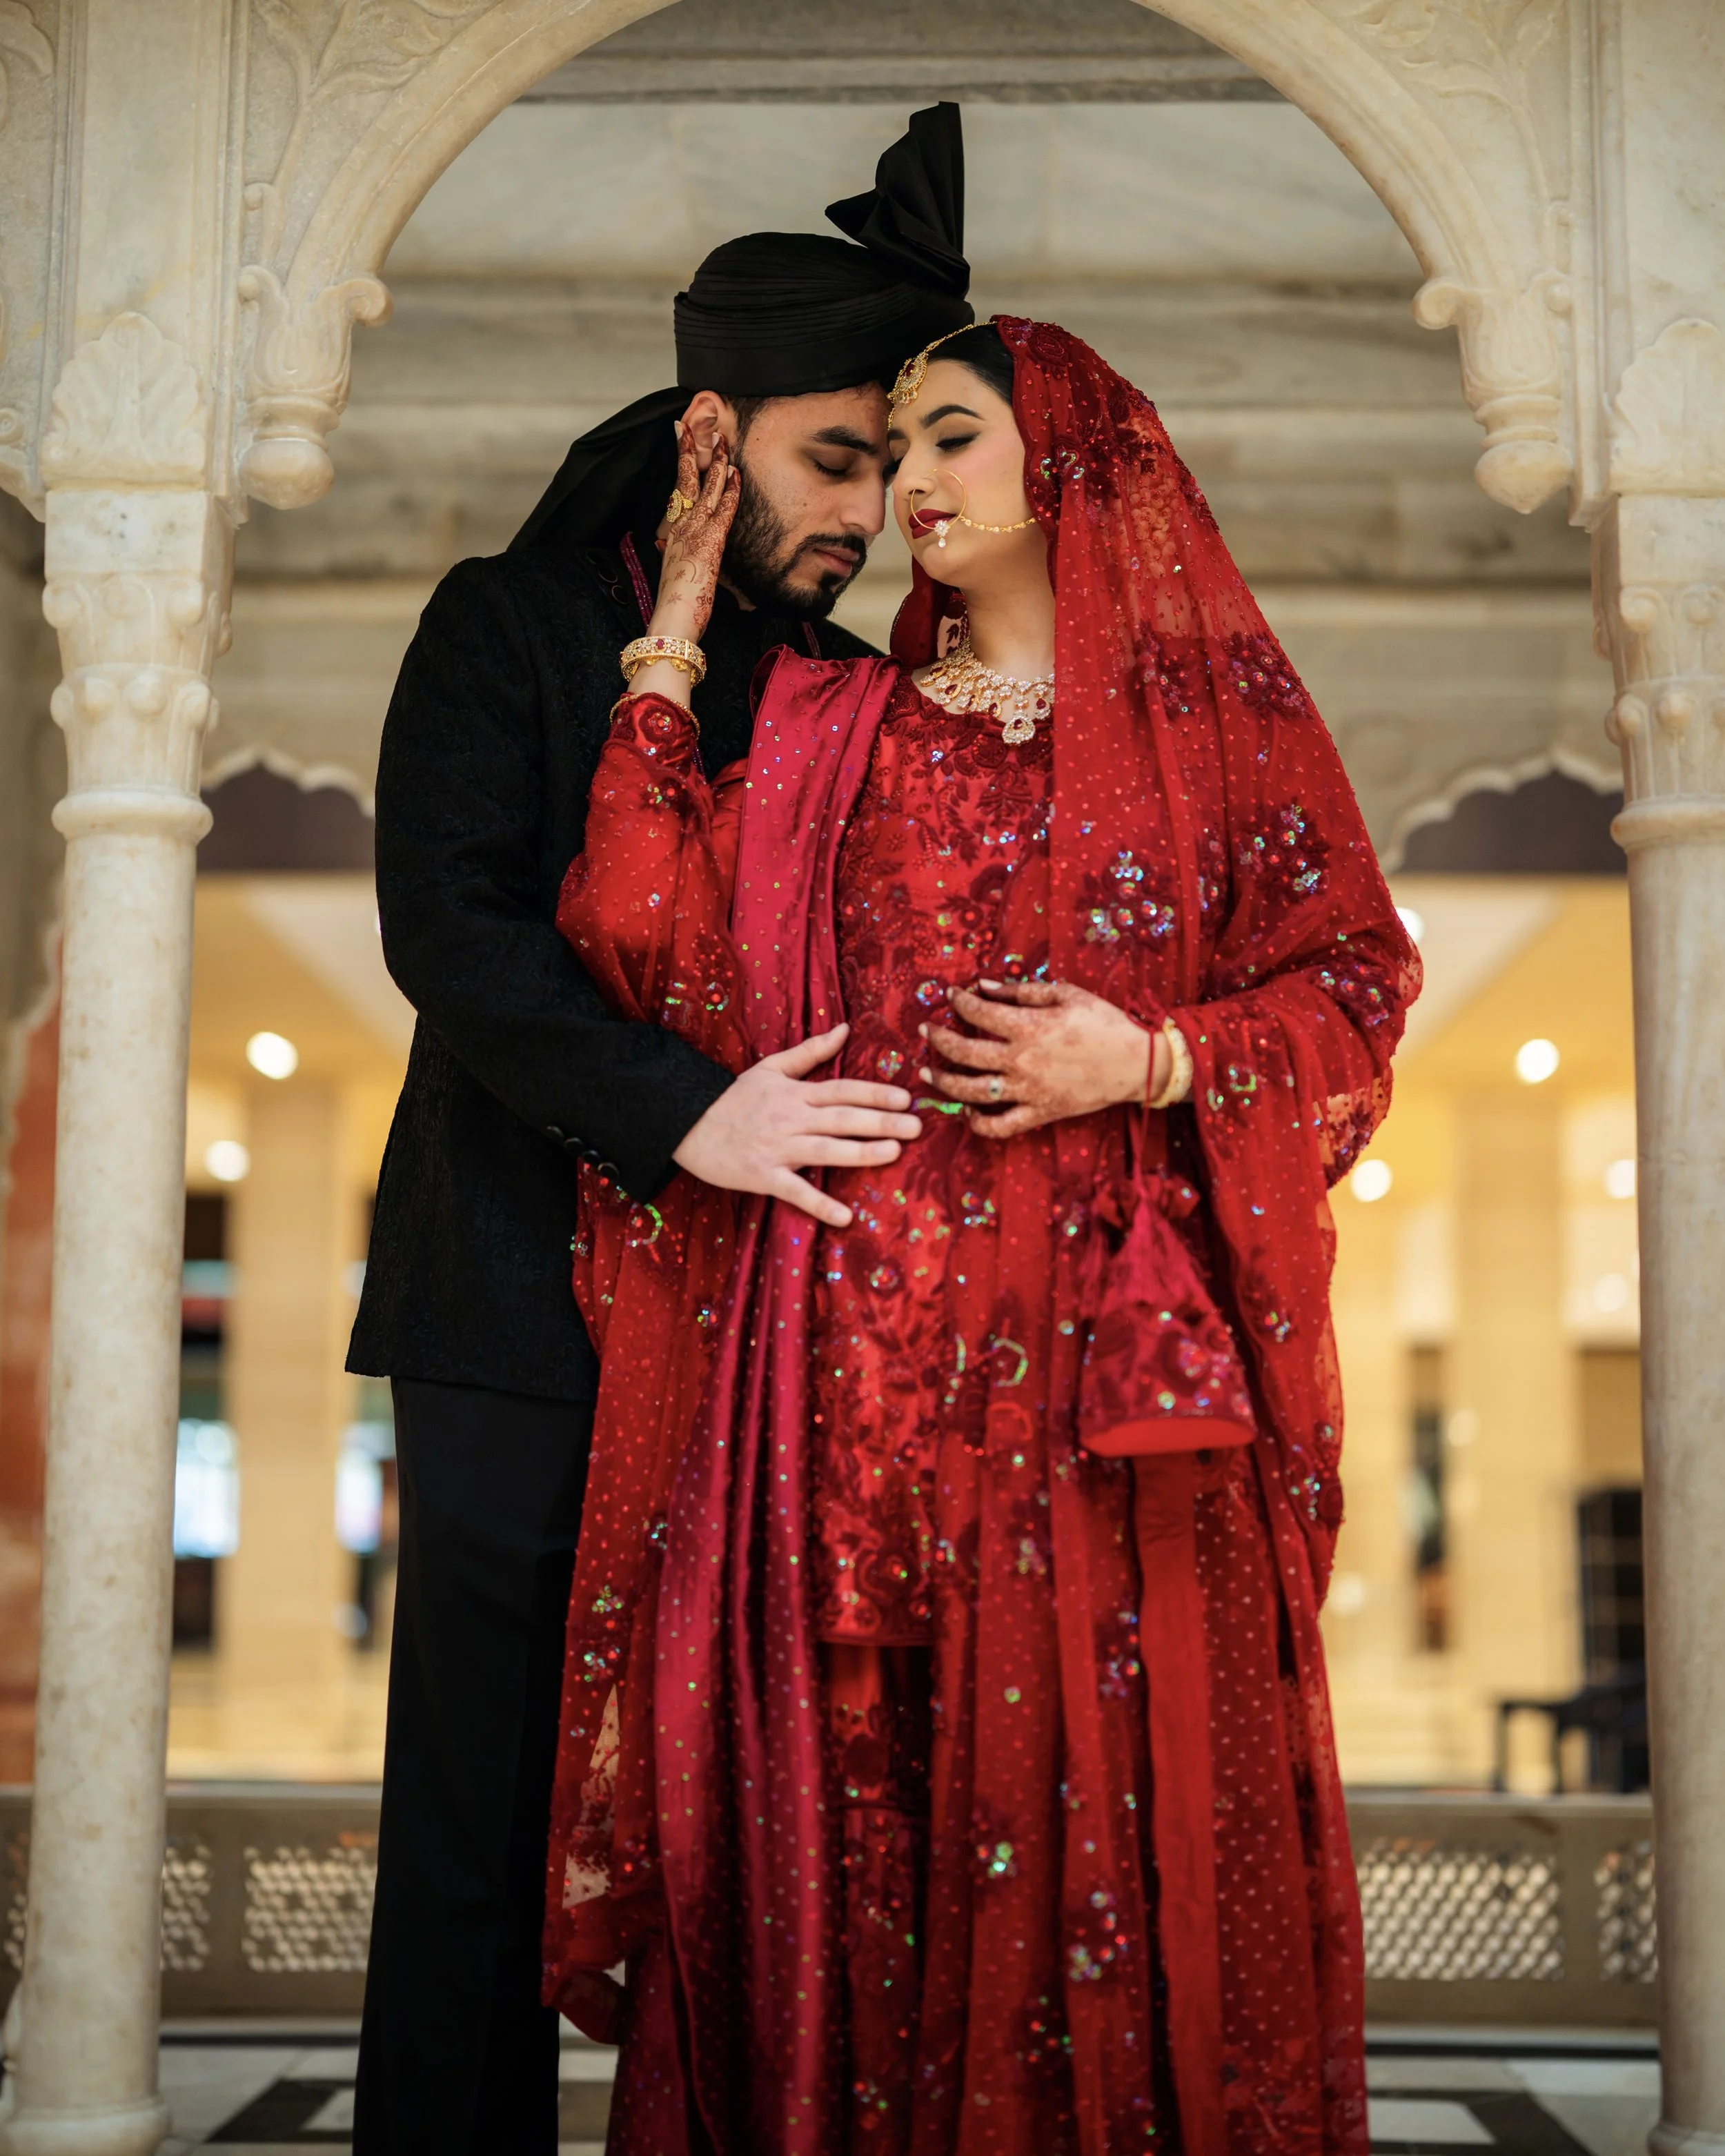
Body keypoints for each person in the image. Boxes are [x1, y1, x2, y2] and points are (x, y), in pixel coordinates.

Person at [544, 317, 1421, 2155]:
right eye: (886, 449)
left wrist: (1157, 1051)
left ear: (1075, 467)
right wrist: (676, 625)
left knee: (1111, 1831)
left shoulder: (1211, 745)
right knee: (853, 1832)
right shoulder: (825, 728)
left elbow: (1351, 992)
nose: (911, 486)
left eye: (949, 439)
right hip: (839, 1404)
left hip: (1106, 1425)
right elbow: (634, 938)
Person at [346, 107, 974, 2156]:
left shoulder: (843, 686)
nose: (869, 515)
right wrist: (686, 1118)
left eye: (890, 469)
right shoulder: (506, 626)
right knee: (484, 1809)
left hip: (764, 1334)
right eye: (836, 461)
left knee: (751, 1813)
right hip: (512, 1303)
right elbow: (451, 935)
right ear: (713, 439)